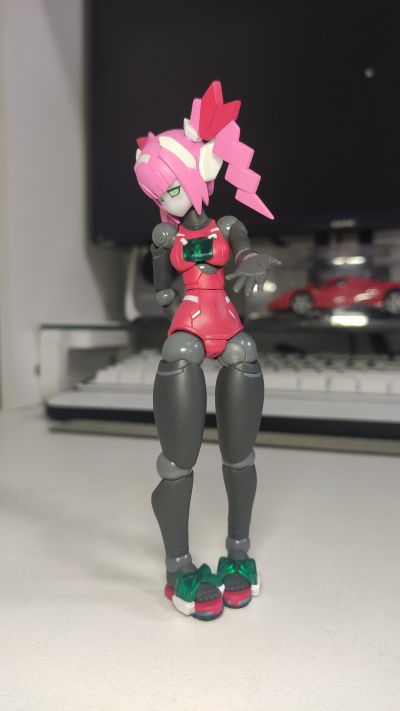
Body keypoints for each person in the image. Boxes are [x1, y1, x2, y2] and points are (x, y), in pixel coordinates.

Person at [134, 80, 278, 620]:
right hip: (189, 326)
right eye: (160, 193)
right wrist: (168, 298)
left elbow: (242, 252)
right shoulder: (164, 237)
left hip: (226, 321)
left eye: (172, 187)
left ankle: (239, 554)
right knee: (178, 458)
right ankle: (178, 566)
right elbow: (161, 289)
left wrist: (249, 262)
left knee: (240, 452)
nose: (167, 200)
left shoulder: (228, 224)